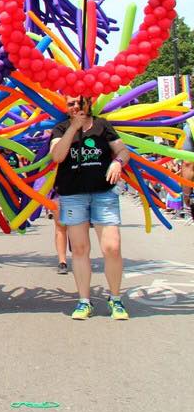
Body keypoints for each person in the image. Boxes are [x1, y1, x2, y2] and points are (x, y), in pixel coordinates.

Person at [49, 95, 131, 321]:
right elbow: (57, 156)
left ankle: (115, 298)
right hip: (73, 195)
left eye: (80, 103)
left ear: (89, 104)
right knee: (80, 249)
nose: (76, 107)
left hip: (103, 193)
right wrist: (72, 128)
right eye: (71, 104)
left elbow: (123, 151)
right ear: (65, 108)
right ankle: (84, 301)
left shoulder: (103, 125)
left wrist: (117, 162)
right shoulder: (60, 128)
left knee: (112, 247)